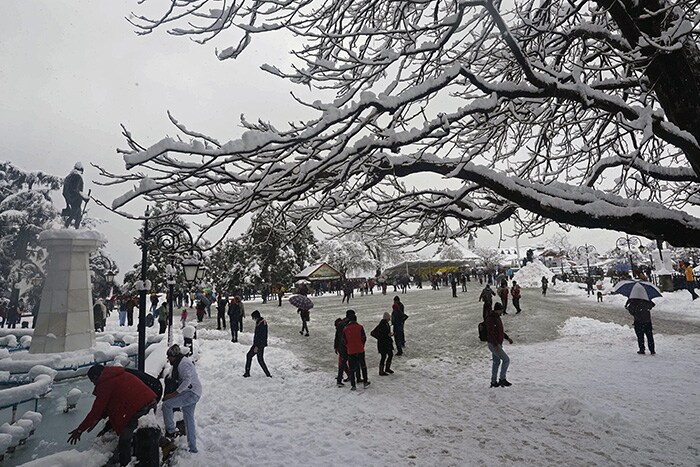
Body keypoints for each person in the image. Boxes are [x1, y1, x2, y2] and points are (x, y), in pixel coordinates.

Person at [68, 364, 157, 466]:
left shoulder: (105, 383)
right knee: (145, 432)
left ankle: (125, 464)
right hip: (149, 402)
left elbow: (96, 410)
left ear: (97, 377)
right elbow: (110, 403)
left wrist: (80, 430)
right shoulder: (117, 374)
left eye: (93, 381)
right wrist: (99, 419)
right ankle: (157, 446)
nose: (94, 385)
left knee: (125, 440)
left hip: (141, 408)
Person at [162, 344, 202, 453]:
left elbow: (187, 381)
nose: (168, 359)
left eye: (169, 357)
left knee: (166, 405)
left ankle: (170, 431)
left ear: (173, 357)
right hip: (193, 392)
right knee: (189, 420)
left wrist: (173, 394)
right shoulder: (181, 361)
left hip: (191, 393)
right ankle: (193, 448)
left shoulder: (183, 364)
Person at [484, 302, 513, 388]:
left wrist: (507, 338)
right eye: (501, 310)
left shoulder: (497, 318)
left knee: (496, 362)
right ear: (497, 310)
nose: (502, 312)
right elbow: (491, 333)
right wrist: (496, 345)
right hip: (494, 344)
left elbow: (500, 331)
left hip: (497, 344)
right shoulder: (490, 319)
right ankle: (502, 379)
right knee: (506, 360)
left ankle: (493, 382)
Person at [343, 309, 370, 390]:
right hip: (360, 349)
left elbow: (344, 340)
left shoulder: (346, 329)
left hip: (351, 350)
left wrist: (348, 346)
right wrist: (362, 345)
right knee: (363, 366)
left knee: (352, 368)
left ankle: (353, 385)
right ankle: (365, 381)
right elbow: (364, 338)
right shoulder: (360, 327)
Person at [243, 310, 272, 378]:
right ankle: (268, 374)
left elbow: (259, 336)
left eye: (253, 317)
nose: (253, 319)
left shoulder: (261, 324)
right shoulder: (261, 322)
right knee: (260, 359)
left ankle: (247, 373)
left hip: (258, 344)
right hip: (260, 344)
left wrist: (256, 346)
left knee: (249, 356)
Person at [62, 162, 89, 229]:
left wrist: (68, 201)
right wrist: (84, 197)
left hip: (70, 199)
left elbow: (64, 192)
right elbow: (75, 189)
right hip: (76, 199)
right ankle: (66, 227)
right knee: (74, 215)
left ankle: (74, 230)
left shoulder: (69, 177)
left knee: (78, 217)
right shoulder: (76, 176)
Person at [371, 312, 394, 376]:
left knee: (389, 355)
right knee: (384, 356)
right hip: (384, 344)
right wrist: (386, 336)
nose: (390, 319)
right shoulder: (382, 325)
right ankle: (382, 371)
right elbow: (375, 333)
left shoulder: (385, 324)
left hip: (386, 343)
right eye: (389, 318)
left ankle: (386, 368)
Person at [334, 316, 351, 386]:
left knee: (342, 364)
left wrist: (336, 347)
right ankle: (351, 376)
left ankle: (340, 379)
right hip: (348, 347)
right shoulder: (347, 325)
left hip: (342, 348)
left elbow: (337, 338)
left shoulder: (340, 327)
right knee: (351, 363)